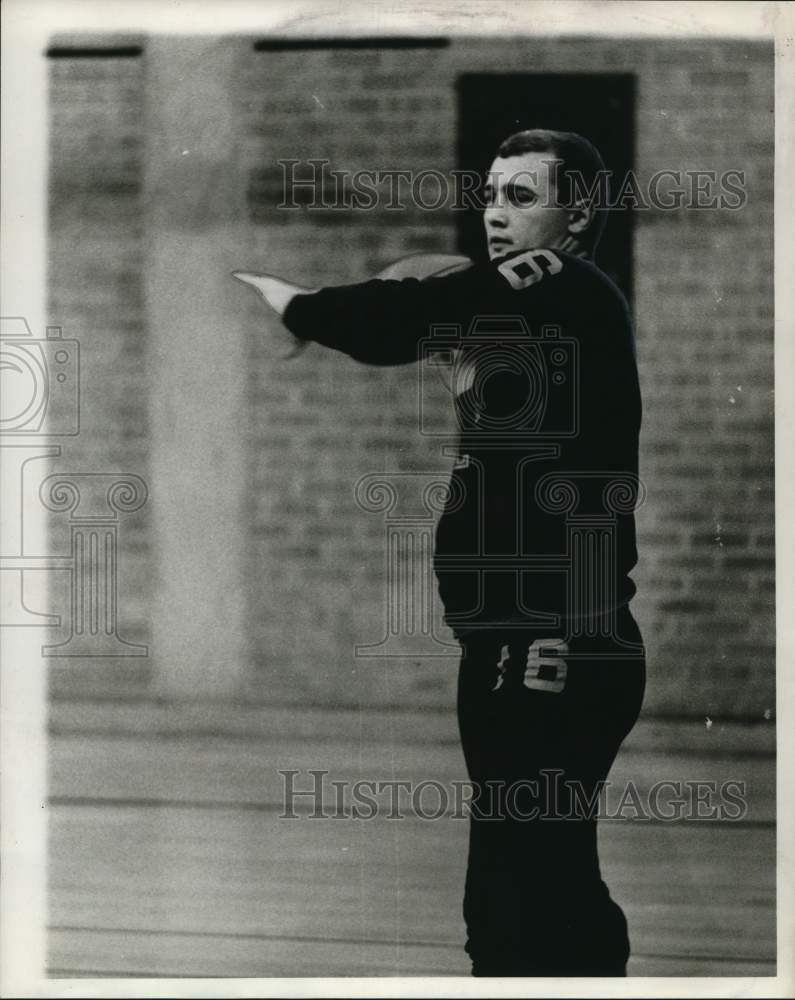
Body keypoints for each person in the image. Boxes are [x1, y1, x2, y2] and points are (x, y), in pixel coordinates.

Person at [234, 129, 646, 977]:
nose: (495, 213)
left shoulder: (562, 281)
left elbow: (401, 320)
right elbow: (429, 327)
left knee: (524, 892)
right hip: (507, 639)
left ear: (578, 214)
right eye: (491, 195)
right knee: (528, 888)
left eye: (522, 197)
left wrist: (298, 305)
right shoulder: (533, 318)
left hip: (552, 638)